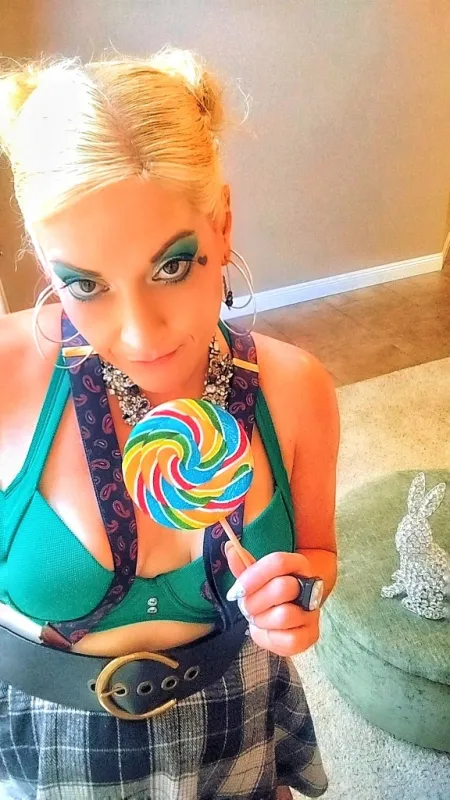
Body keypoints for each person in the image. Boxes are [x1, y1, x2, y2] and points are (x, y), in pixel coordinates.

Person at [0, 48, 339, 800]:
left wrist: (299, 601)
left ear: (222, 223)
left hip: (233, 708)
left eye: (172, 266)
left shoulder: (297, 389)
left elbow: (317, 557)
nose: (139, 333)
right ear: (48, 266)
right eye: (84, 284)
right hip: (51, 740)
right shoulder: (5, 381)